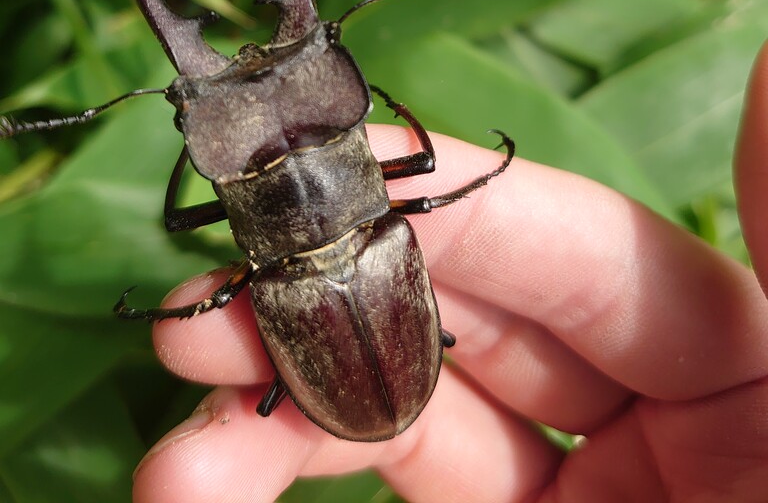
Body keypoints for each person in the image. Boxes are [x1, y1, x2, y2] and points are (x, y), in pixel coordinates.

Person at [132, 44, 768, 503]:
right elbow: (425, 159)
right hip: (362, 346)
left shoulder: (270, 272)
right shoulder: (392, 221)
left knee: (211, 345)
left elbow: (176, 215)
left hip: (328, 338)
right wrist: (376, 99)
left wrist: (192, 127)